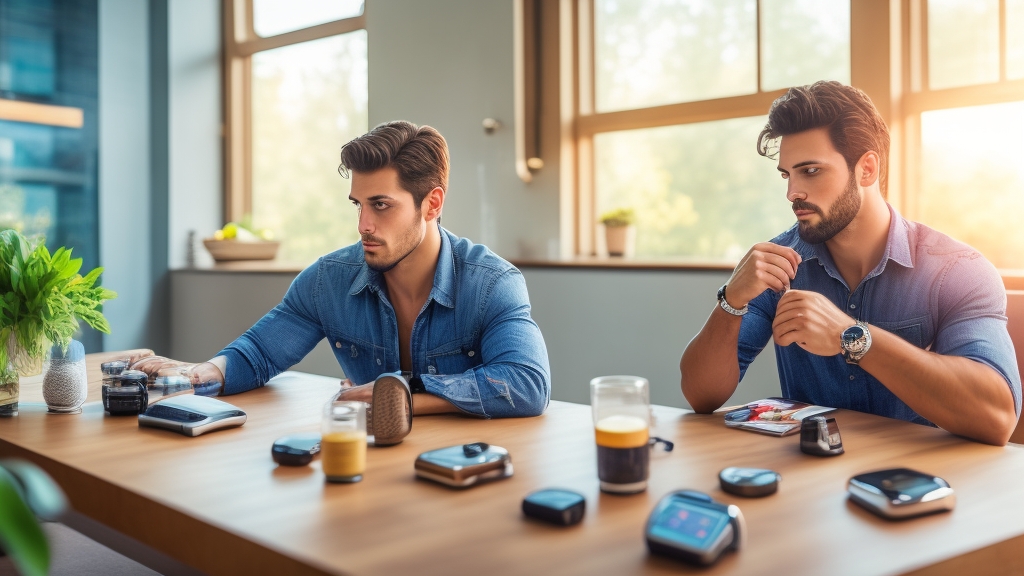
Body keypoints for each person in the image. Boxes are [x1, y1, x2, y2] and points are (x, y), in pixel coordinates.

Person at [135, 121, 551, 444]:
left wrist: (403, 392)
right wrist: (200, 374)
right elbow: (260, 352)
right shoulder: (328, 280)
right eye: (359, 204)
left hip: (469, 477)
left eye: (381, 205)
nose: (363, 225)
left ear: (433, 204)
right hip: (368, 466)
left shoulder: (492, 283)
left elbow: (527, 385)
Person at [679, 81, 1021, 445]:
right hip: (810, 482)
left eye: (810, 171)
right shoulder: (778, 266)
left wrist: (853, 337)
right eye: (787, 174)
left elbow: (997, 418)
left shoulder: (958, 271)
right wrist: (731, 299)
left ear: (867, 169)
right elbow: (700, 396)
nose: (792, 192)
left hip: (916, 485)